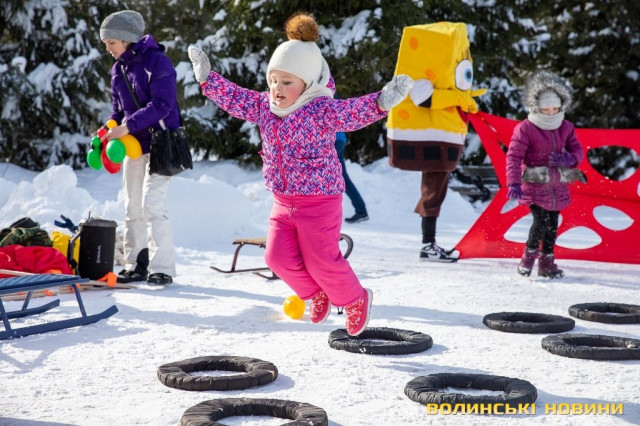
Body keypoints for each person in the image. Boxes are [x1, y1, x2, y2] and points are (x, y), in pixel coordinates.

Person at [188, 12, 412, 335]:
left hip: (320, 200)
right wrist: (208, 80)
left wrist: (381, 102)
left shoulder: (320, 109)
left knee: (321, 258)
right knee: (276, 257)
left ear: (307, 84)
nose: (277, 89)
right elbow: (236, 99)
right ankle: (315, 293)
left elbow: (352, 113)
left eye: (287, 82)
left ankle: (355, 299)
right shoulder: (265, 106)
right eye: (273, 80)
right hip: (283, 200)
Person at [99, 10, 180, 285]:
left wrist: (127, 126)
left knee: (152, 203)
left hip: (162, 142)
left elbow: (163, 104)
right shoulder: (118, 69)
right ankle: (136, 264)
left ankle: (162, 269)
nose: (108, 48)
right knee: (132, 205)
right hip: (133, 145)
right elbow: (117, 110)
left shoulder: (157, 62)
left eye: (111, 42)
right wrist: (109, 127)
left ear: (126, 39)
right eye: (106, 43)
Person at [506, 70, 584, 278]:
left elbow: (577, 149)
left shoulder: (566, 126)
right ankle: (527, 259)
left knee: (552, 224)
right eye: (546, 109)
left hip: (557, 185)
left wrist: (570, 159)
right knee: (540, 222)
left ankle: (547, 264)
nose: (551, 113)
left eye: (555, 109)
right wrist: (513, 182)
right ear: (536, 108)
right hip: (535, 183)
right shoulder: (525, 128)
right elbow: (514, 156)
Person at [334, 130, 369, 223]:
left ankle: (322, 215)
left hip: (332, 140)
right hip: (338, 139)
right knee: (342, 179)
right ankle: (361, 210)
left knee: (324, 177)